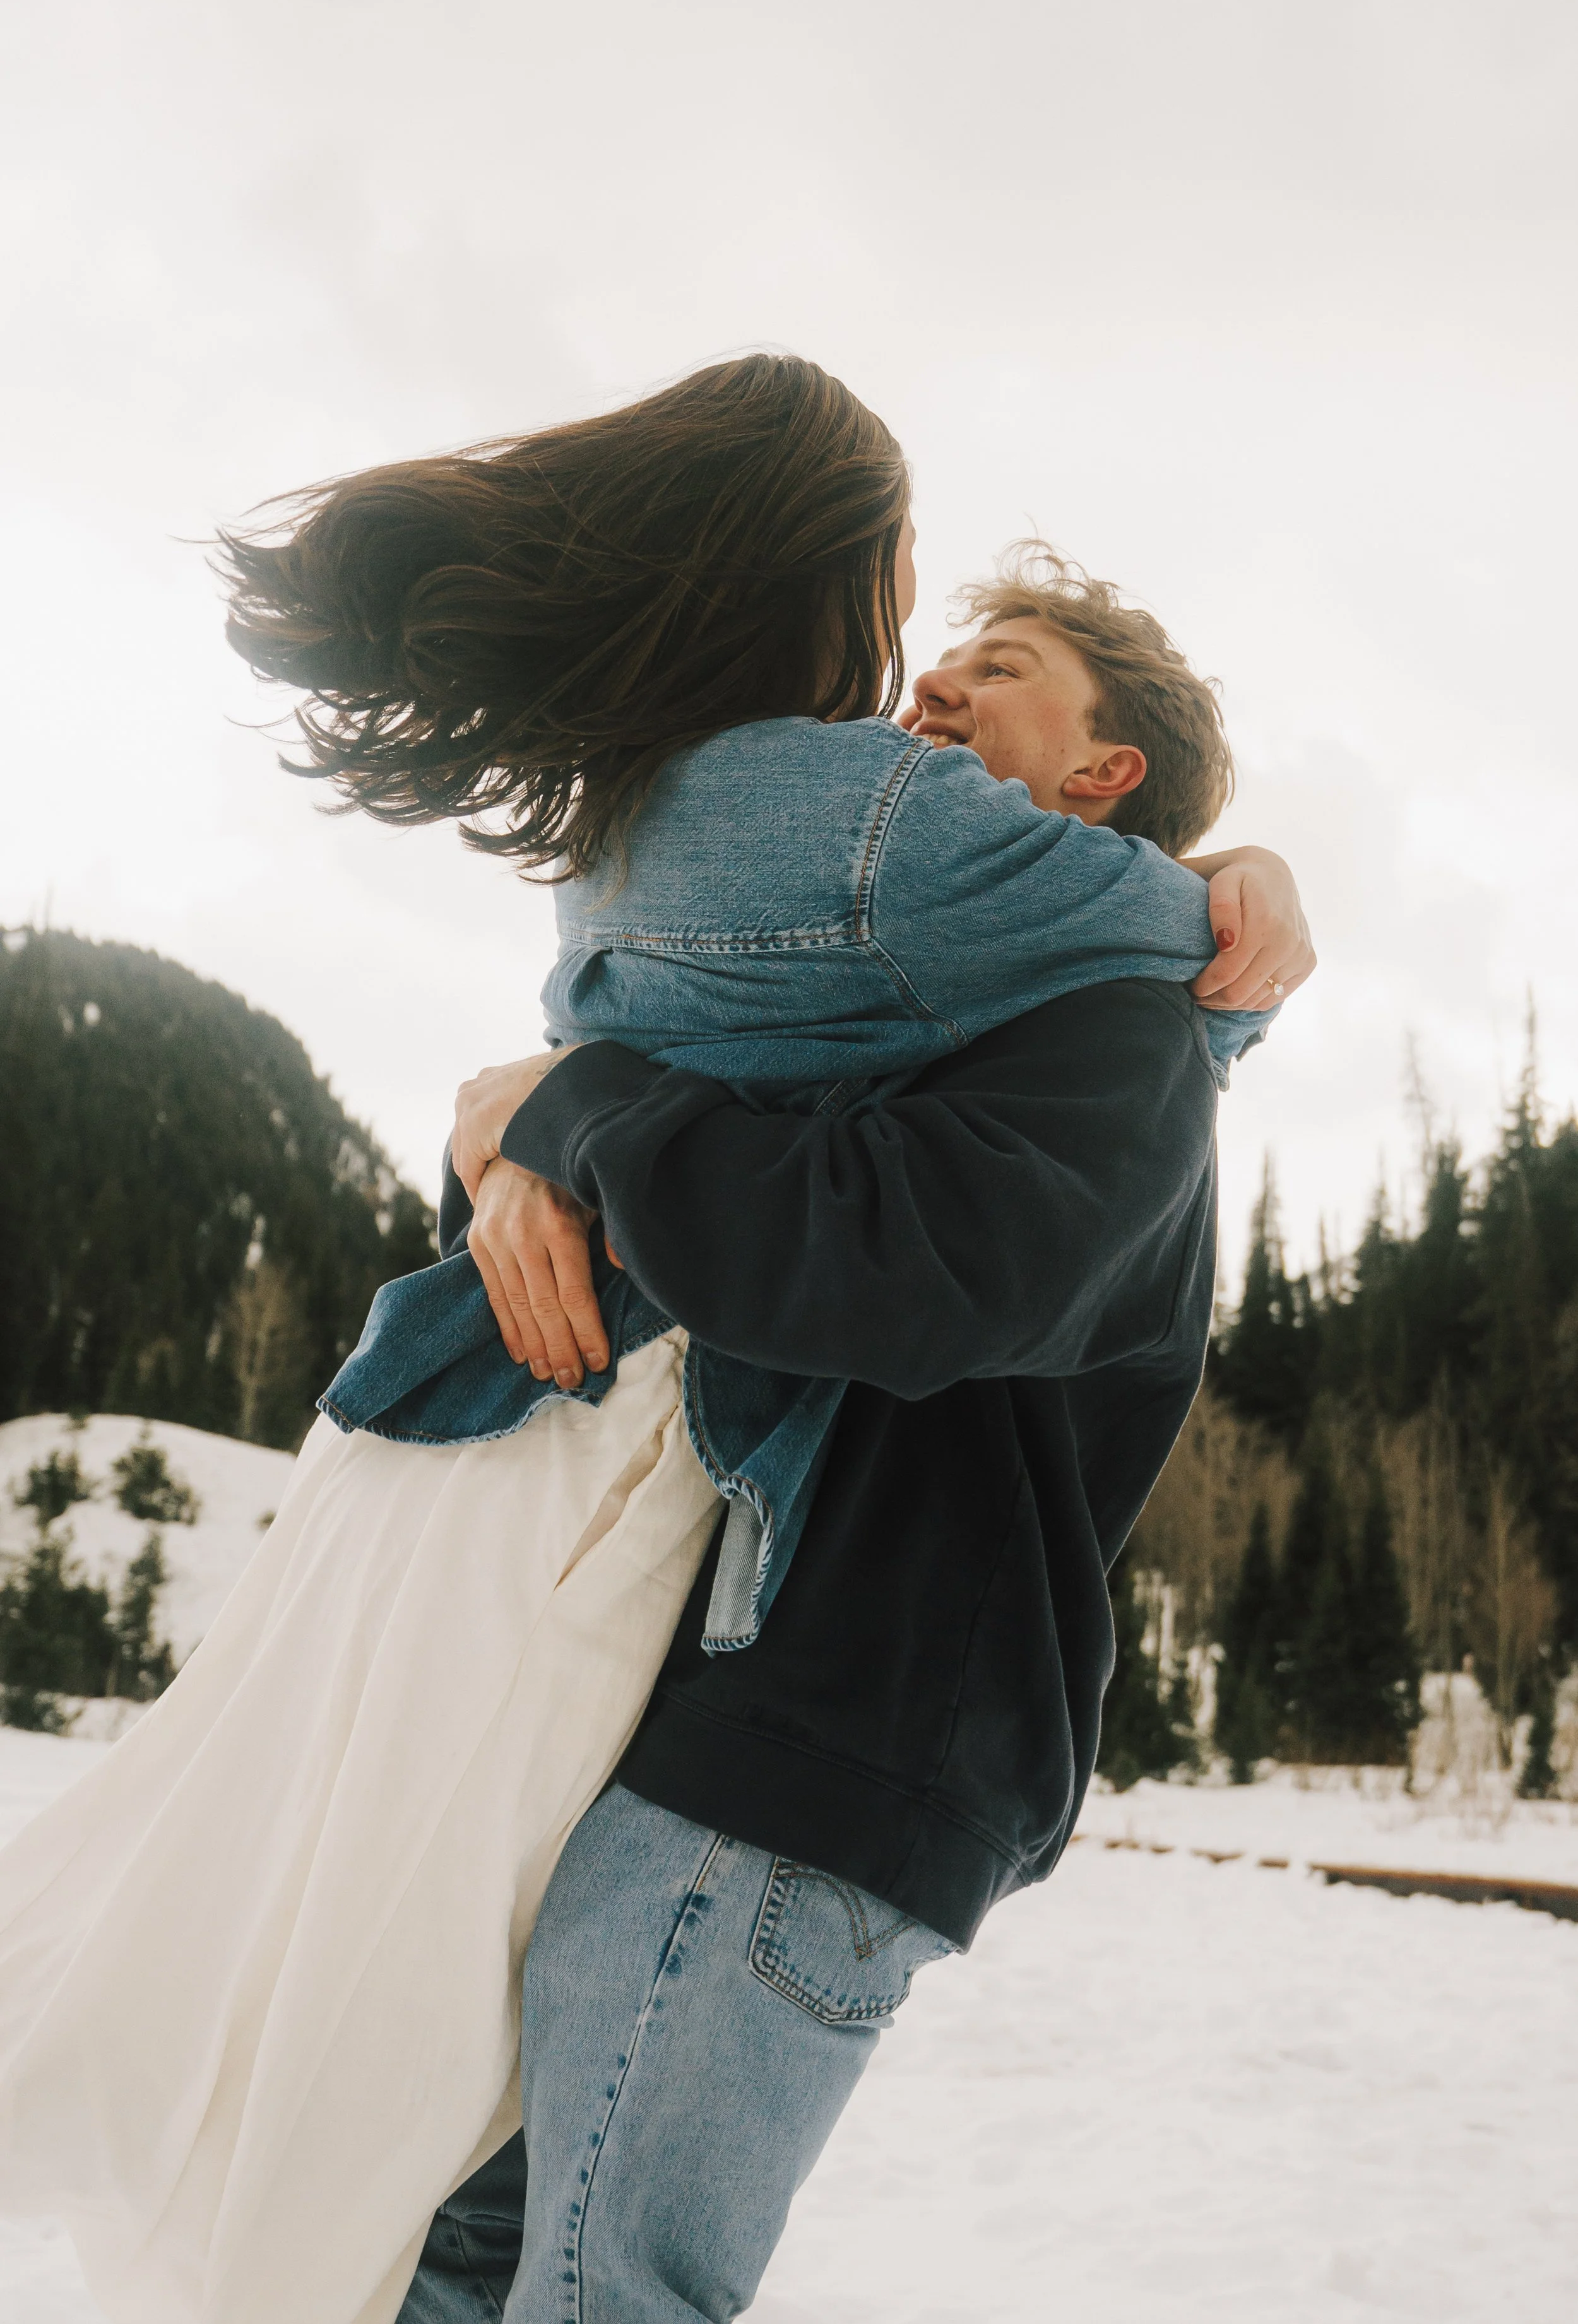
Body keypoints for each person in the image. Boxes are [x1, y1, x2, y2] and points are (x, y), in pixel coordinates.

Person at [0, 354, 1308, 2324]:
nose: (934, 683)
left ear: (1107, 780)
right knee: (471, 2243)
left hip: (842, 1741)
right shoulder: (899, 1006)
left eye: (1007, 665)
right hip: (720, 1719)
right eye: (937, 647)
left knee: (606, 2283)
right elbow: (671, 1208)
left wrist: (574, 1106)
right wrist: (522, 1134)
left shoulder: (1117, 1032)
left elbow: (890, 1263)